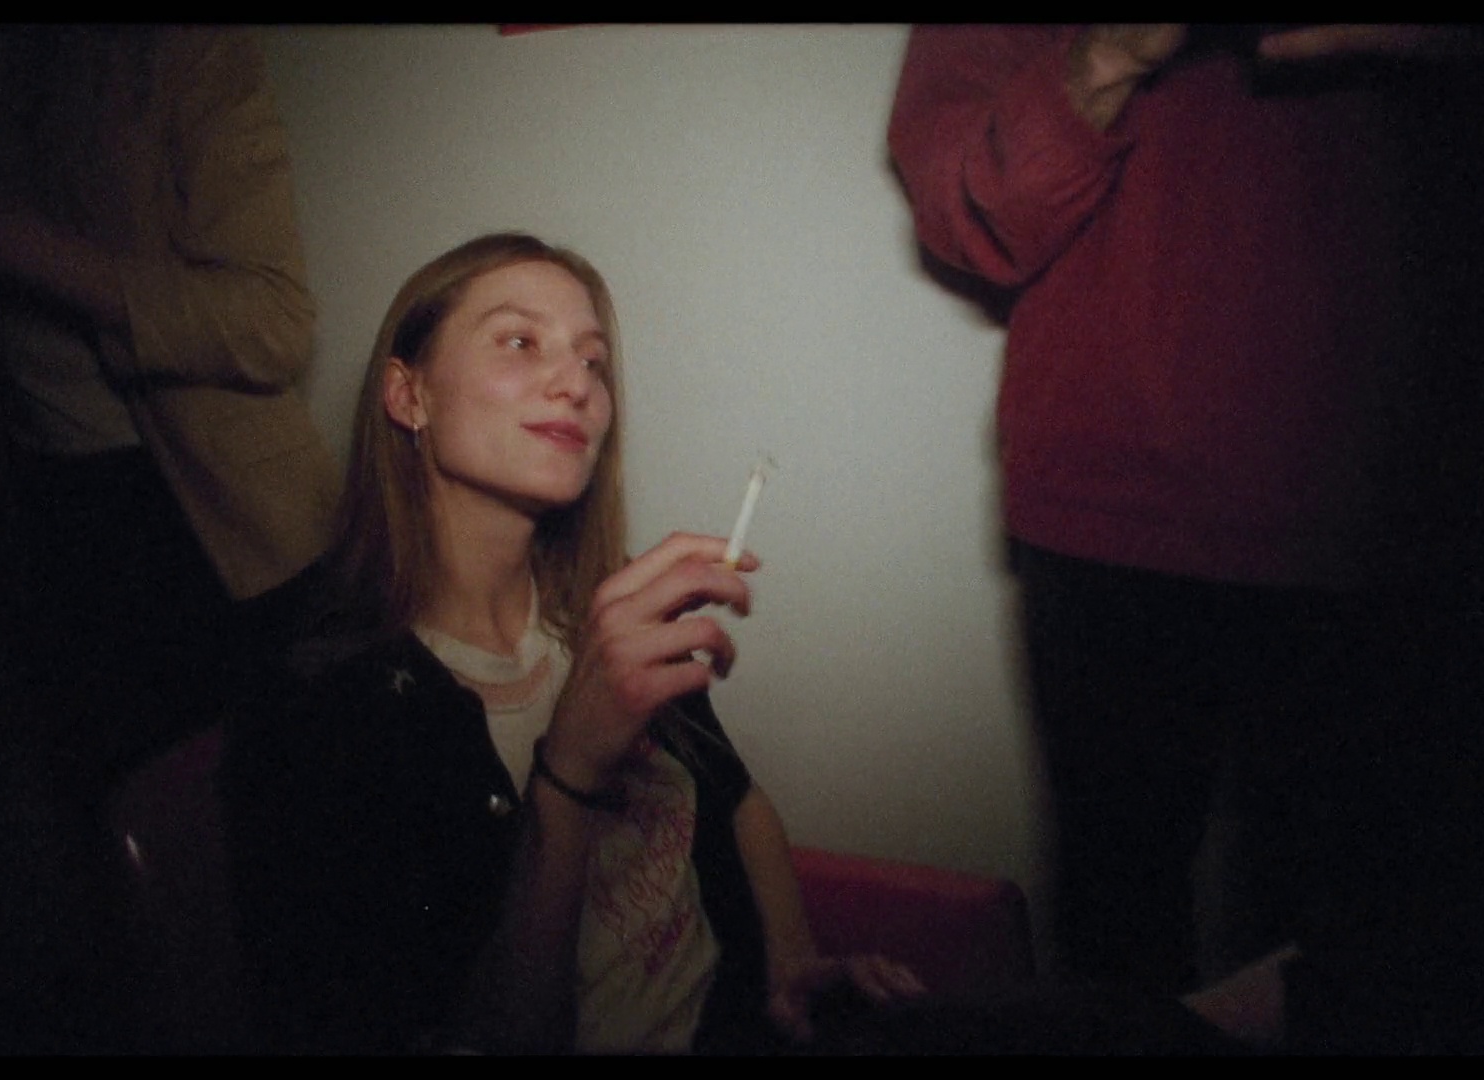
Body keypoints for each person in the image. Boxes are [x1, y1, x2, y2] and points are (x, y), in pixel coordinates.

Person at [222, 233, 1274, 1056]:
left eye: (594, 359)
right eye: (520, 342)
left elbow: (735, 797)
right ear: (407, 393)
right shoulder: (323, 707)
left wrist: (792, 964)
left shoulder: (603, 618)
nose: (577, 382)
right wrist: (570, 771)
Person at [887, 25, 1484, 1051]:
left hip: (1408, 506)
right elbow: (968, 208)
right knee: (1117, 954)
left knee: (1389, 968)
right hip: (1113, 511)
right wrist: (1114, 47)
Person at [0, 25, 342, 1051]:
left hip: (212, 522)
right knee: (135, 894)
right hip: (23, 502)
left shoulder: (174, 51)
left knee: (274, 882)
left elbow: (274, 322)